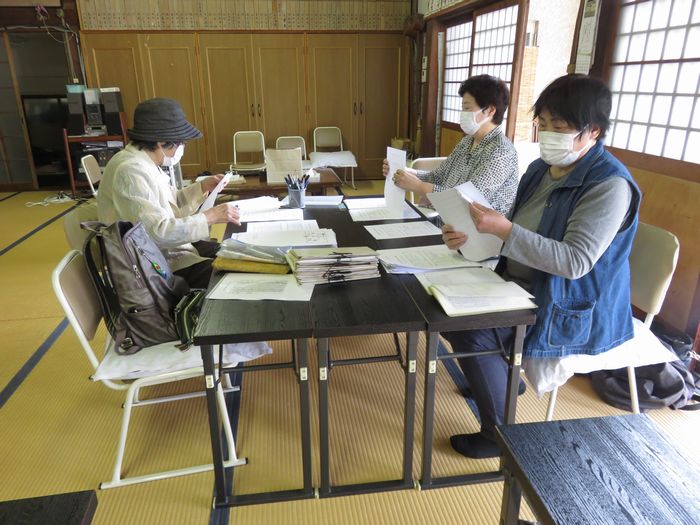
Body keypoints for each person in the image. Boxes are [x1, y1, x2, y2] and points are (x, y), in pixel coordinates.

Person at [441, 74, 641, 459]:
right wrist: (471, 236)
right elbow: (516, 233)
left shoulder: (608, 185)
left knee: (470, 329)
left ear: (593, 131)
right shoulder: (540, 169)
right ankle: (501, 379)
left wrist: (503, 230)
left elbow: (575, 262)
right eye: (544, 124)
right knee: (444, 305)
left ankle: (499, 436)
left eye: (560, 128)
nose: (548, 135)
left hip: (569, 303)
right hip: (518, 282)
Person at [97, 98, 240, 288]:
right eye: (180, 143)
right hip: (155, 267)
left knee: (237, 254)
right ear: (161, 142)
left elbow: (171, 203)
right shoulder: (130, 171)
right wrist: (209, 217)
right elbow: (157, 233)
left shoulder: (144, 162)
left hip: (168, 252)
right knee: (236, 275)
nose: (182, 148)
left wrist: (202, 187)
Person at [383, 74, 518, 215]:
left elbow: (468, 200)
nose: (463, 113)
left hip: (475, 226)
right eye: (462, 108)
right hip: (448, 218)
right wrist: (406, 172)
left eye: (467, 108)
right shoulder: (467, 142)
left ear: (490, 110)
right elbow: (439, 176)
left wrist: (419, 186)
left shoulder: (502, 151)